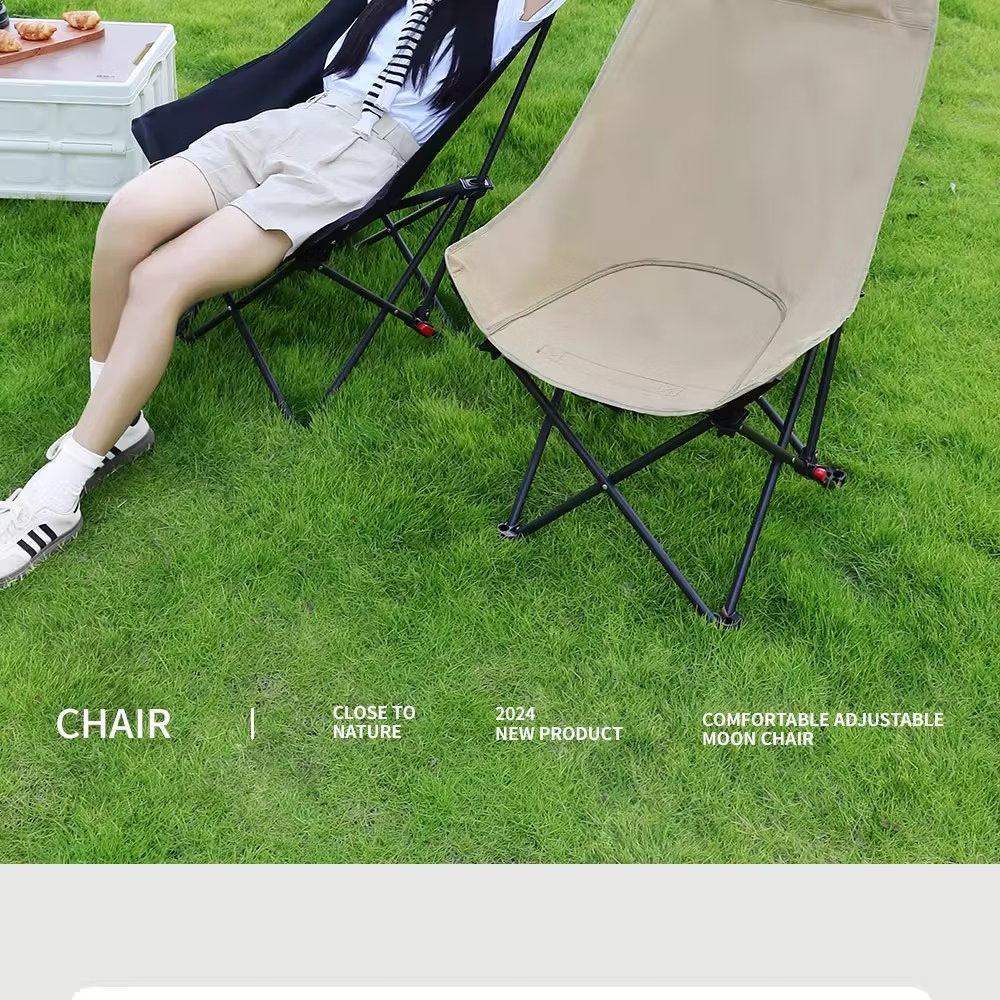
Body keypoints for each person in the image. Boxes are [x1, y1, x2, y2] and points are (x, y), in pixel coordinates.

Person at [0, 0, 568, 590]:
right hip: (295, 121)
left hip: (358, 159)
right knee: (126, 215)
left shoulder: (506, 11)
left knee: (159, 280)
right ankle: (116, 422)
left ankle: (57, 495)